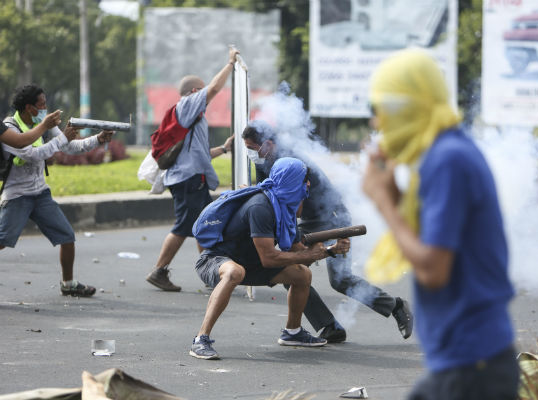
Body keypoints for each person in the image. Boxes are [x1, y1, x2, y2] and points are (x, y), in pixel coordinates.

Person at [361, 49, 519, 400]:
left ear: (404, 107)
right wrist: (396, 197)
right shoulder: (446, 153)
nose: (376, 123)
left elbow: (433, 269)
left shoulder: (447, 161)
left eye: (379, 110)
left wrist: (384, 202)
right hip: (468, 360)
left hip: (471, 365)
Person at [241, 121, 413, 343]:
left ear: (268, 144)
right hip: (309, 219)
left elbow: (294, 202)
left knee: (339, 279)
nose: (250, 153)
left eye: (252, 148)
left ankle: (396, 306)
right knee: (292, 272)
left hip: (331, 216)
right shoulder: (264, 160)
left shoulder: (293, 162)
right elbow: (266, 195)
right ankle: (329, 326)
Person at [190, 157, 350, 359]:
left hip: (252, 264)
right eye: (304, 180)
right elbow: (269, 259)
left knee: (302, 274)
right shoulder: (261, 207)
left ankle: (292, 332)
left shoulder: (285, 209)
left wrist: (331, 250)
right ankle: (200, 339)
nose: (308, 185)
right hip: (216, 260)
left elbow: (298, 254)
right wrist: (309, 253)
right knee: (234, 272)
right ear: (291, 182)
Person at [0, 84, 114, 297]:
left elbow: (70, 147)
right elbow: (33, 154)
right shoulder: (10, 127)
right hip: (17, 195)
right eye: (41, 104)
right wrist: (62, 137)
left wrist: (97, 139)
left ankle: (68, 283)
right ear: (29, 108)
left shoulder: (43, 123)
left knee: (67, 236)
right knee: (2, 240)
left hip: (40, 192)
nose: (45, 108)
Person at [145, 47, 238, 292]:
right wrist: (230, 64)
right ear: (195, 92)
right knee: (184, 226)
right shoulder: (187, 105)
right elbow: (215, 89)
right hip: (188, 180)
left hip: (191, 178)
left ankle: (210, 274)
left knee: (203, 225)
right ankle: (159, 270)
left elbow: (198, 154)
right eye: (202, 90)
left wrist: (224, 149)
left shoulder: (191, 117)